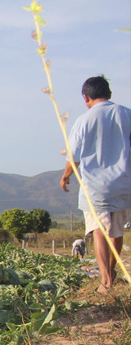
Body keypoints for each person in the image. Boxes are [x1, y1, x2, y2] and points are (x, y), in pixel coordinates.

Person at [60, 75, 131, 293]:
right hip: (123, 184)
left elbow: (74, 156)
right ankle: (112, 271)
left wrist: (66, 176)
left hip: (95, 188)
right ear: (109, 94)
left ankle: (105, 282)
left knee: (99, 231)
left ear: (85, 97)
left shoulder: (84, 120)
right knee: (116, 232)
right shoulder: (126, 114)